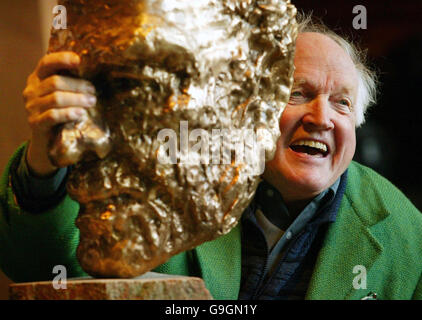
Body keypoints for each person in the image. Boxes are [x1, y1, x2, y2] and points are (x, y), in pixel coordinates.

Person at [1, 13, 421, 300]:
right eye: (297, 94)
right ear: (247, 105)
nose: (321, 118)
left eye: (342, 104)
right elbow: (37, 267)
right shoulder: (165, 173)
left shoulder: (407, 231)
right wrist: (44, 155)